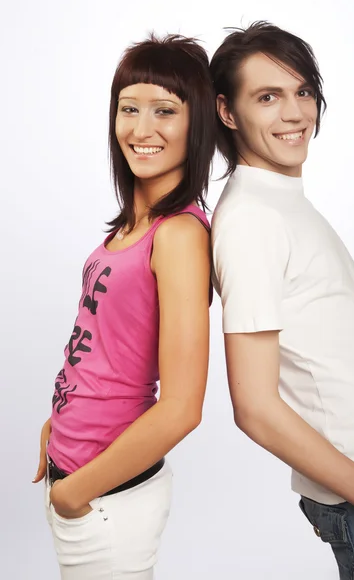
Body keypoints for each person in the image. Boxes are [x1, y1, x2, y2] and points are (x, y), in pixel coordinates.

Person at [210, 21, 354, 579]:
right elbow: (256, 409)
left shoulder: (280, 199)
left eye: (303, 92)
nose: (295, 114)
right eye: (268, 97)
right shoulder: (251, 219)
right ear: (227, 112)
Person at [32, 33, 216, 579]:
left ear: (198, 123)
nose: (141, 129)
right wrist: (57, 421)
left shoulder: (179, 235)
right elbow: (107, 347)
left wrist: (77, 493)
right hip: (80, 479)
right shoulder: (130, 229)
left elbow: (183, 407)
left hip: (107, 498)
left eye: (165, 111)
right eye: (128, 108)